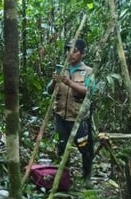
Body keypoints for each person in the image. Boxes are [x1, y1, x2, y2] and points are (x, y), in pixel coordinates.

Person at [47, 39, 95, 181]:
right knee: (62, 148)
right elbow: (49, 91)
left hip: (79, 118)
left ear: (82, 54)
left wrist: (68, 82)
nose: (70, 54)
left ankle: (86, 178)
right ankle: (64, 180)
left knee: (85, 149)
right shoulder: (62, 69)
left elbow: (89, 91)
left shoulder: (88, 72)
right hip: (61, 117)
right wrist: (55, 81)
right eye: (68, 50)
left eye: (75, 51)